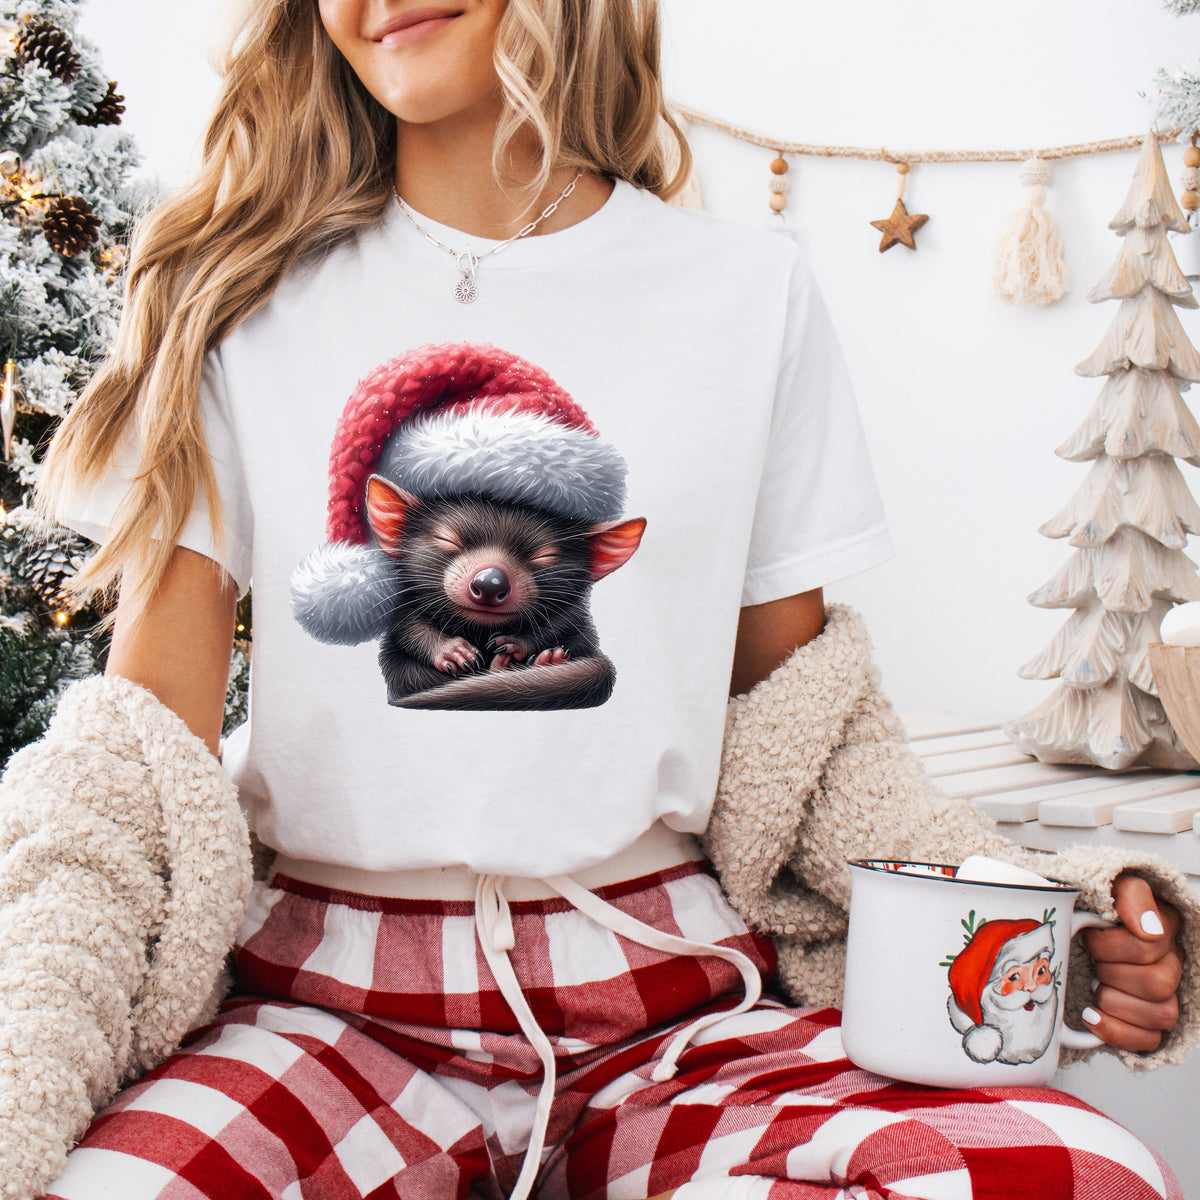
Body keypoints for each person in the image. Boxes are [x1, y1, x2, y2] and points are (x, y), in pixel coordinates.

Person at [29, 1, 1190, 1197]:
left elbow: (805, 734)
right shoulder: (226, 295)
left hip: (666, 997)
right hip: (321, 1002)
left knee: (1070, 1174)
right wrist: (31, 1055)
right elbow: (139, 766)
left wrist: (1033, 911)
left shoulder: (743, 292)